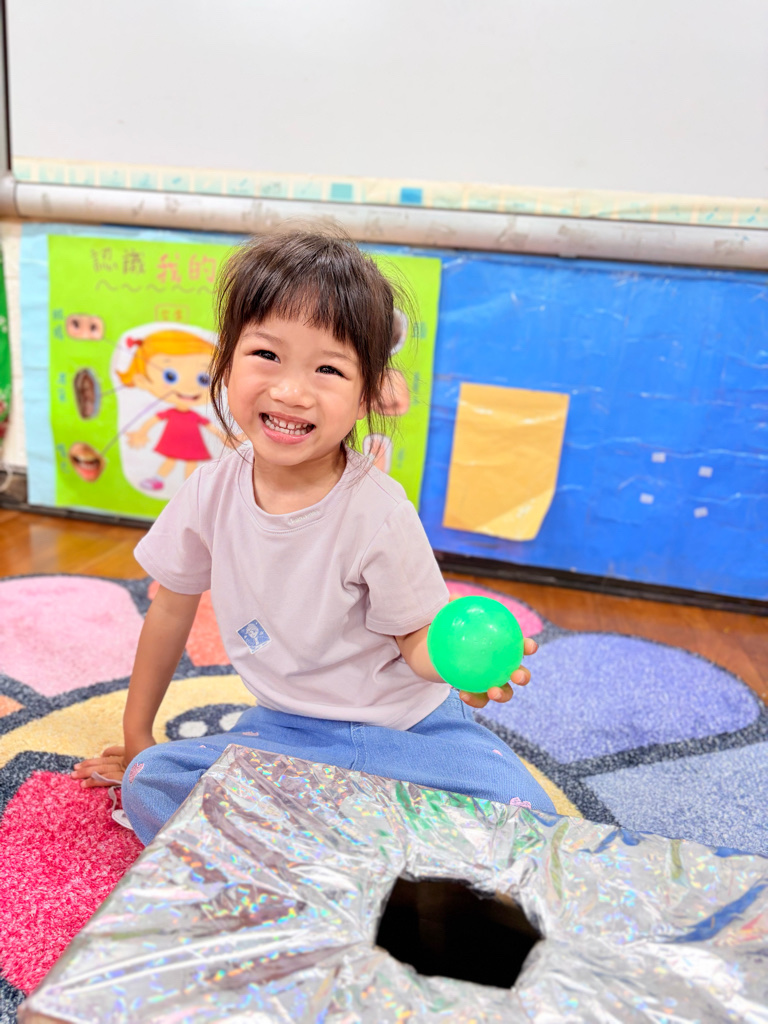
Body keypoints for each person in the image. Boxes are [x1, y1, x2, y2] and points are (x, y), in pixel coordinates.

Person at [72, 228, 556, 845]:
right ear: (225, 362)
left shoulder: (379, 511)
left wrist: (456, 666)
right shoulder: (210, 490)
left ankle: (323, 834)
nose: (291, 391)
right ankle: (351, 833)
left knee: (524, 817)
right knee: (153, 781)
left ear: (367, 394)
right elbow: (170, 609)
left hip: (407, 732)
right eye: (266, 355)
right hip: (287, 732)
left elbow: (415, 640)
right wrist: (138, 738)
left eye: (328, 368)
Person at [116, 328, 229, 491]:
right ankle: (159, 479)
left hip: (192, 442)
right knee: (171, 459)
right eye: (170, 376)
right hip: (174, 440)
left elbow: (210, 427)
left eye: (203, 379)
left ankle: (192, 486)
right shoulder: (170, 413)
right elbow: (153, 421)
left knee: (191, 462)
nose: (189, 387)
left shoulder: (195, 416)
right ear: (142, 380)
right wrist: (141, 433)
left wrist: (224, 437)